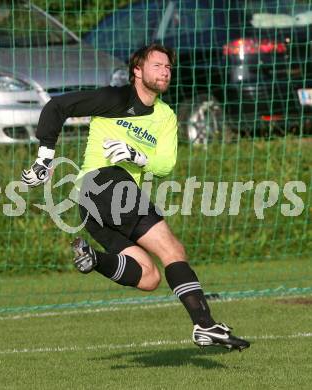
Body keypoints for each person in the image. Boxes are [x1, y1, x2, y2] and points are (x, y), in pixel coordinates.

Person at [21, 44, 250, 351]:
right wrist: (44, 159)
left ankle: (94, 259)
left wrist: (137, 156)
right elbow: (56, 107)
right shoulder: (116, 99)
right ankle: (206, 326)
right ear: (137, 71)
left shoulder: (165, 116)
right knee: (172, 248)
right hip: (102, 183)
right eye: (157, 66)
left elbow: (165, 164)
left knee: (148, 277)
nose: (165, 71)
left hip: (91, 207)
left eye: (168, 67)